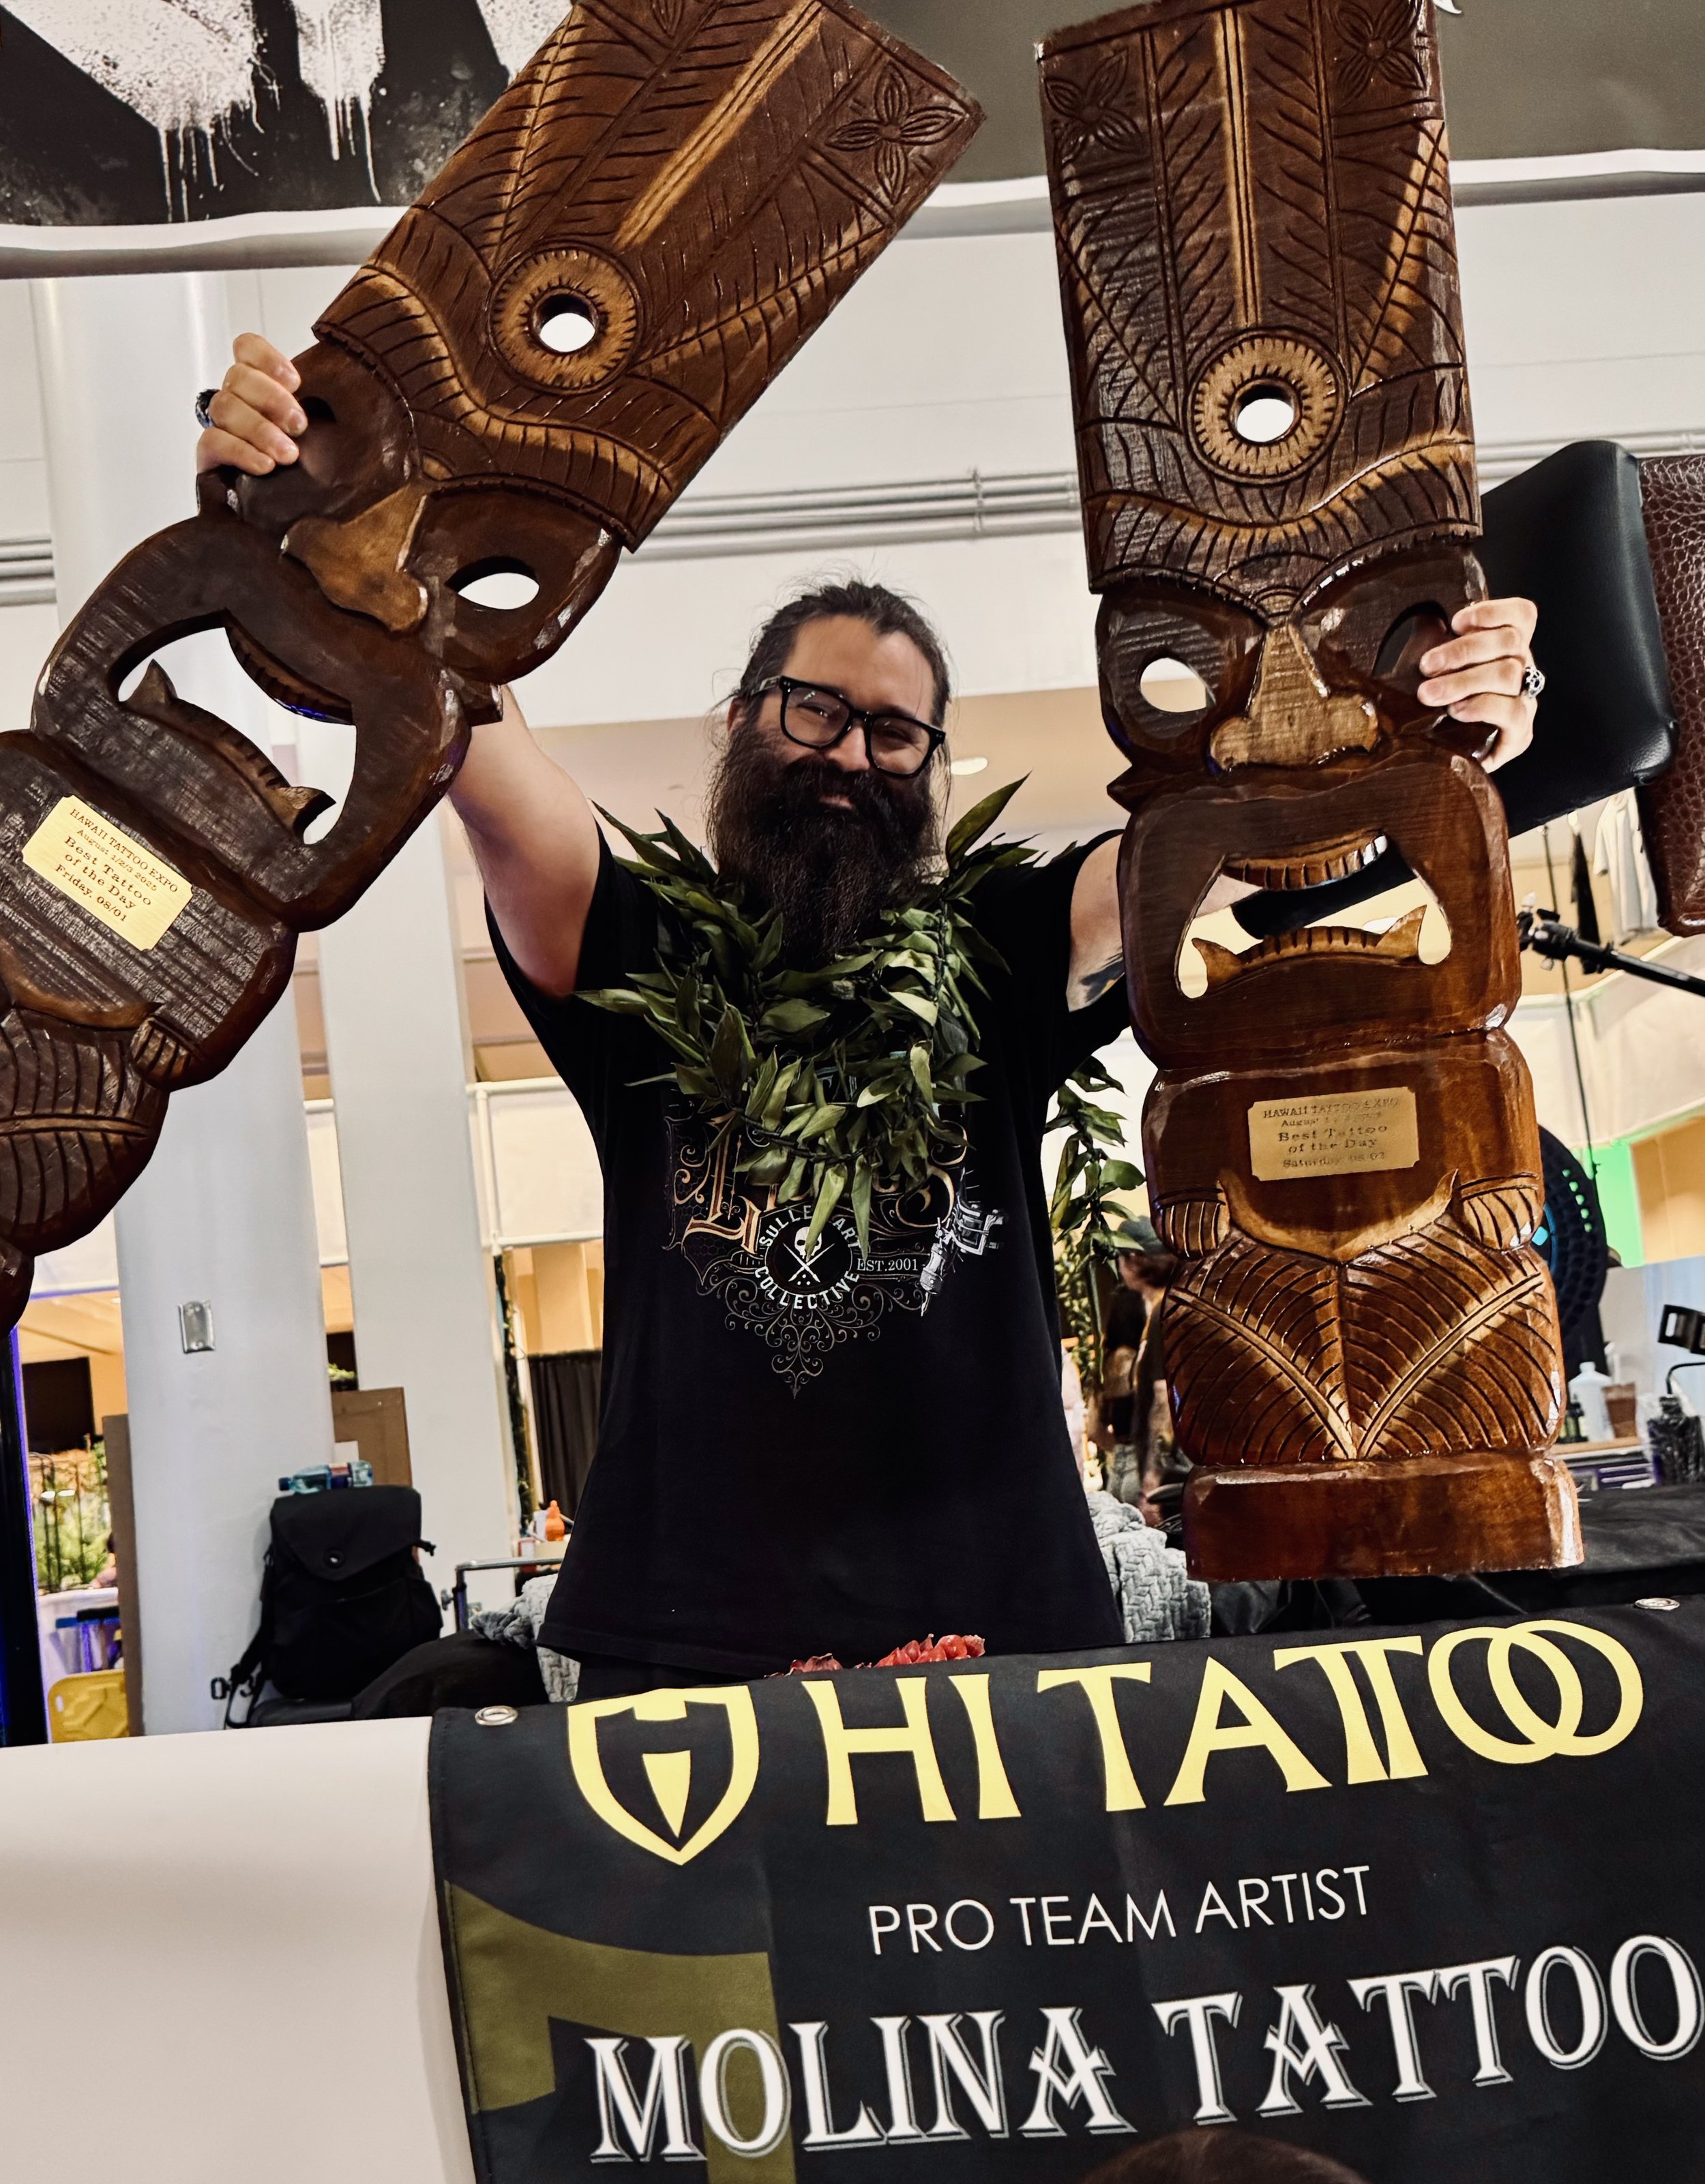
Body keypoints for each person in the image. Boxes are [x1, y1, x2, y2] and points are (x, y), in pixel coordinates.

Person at [200, 335, 1543, 1696]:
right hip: (683, 1650)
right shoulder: (634, 950)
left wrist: (1424, 727)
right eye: (814, 711)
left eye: (892, 733)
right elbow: (461, 727)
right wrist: (297, 506)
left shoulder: (997, 957)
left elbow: (1233, 847)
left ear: (929, 772)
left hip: (1006, 1639)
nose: (849, 752)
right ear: (738, 722)